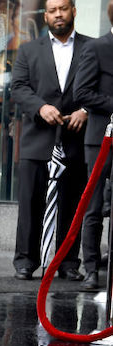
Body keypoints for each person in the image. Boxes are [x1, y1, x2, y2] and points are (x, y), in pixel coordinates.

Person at [11, 0, 88, 281]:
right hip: (36, 138)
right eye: (53, 10)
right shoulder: (29, 50)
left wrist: (86, 111)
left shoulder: (91, 48)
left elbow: (103, 87)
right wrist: (39, 107)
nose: (58, 14)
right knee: (30, 202)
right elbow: (18, 87)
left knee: (72, 203)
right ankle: (25, 260)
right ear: (45, 15)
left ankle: (68, 262)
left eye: (63, 9)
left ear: (73, 12)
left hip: (76, 139)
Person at [74, 0, 113, 291]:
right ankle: (90, 269)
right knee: (94, 206)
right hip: (100, 137)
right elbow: (82, 92)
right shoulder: (97, 48)